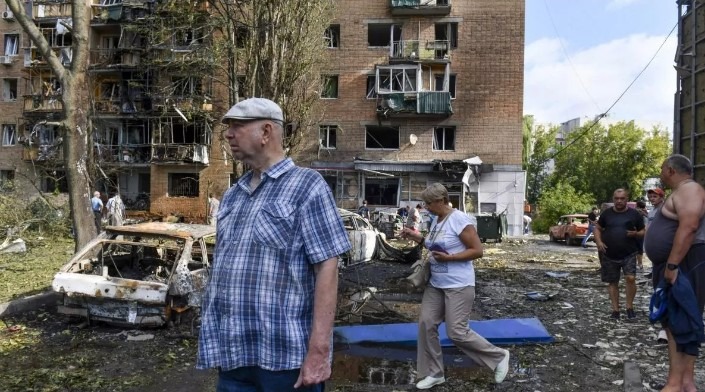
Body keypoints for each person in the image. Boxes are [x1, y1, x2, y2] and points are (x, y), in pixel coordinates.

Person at [197, 98, 352, 392]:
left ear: (266, 131)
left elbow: (327, 269)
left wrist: (319, 351)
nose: (228, 134)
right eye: (228, 127)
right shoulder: (233, 195)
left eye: (237, 126)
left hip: (286, 359)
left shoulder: (307, 186)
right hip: (233, 355)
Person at [400, 183, 510, 389]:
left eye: (429, 203)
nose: (426, 207)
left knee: (456, 332)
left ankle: (499, 357)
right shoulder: (437, 220)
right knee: (426, 324)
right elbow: (435, 245)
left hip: (459, 284)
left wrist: (450, 258)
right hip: (436, 284)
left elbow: (477, 251)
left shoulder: (459, 219)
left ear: (441, 201)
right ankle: (434, 373)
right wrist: (417, 237)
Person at [645, 155, 705, 392]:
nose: (661, 174)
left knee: (679, 321)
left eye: (662, 170)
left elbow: (689, 225)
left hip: (685, 262)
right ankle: (685, 382)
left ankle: (674, 384)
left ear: (670, 170)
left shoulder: (689, 190)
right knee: (680, 321)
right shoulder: (685, 191)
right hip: (682, 262)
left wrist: (671, 265)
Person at [593, 188, 645, 320]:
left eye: (622, 198)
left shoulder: (635, 214)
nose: (619, 201)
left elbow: (644, 231)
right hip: (609, 253)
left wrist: (636, 234)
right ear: (613, 199)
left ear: (627, 199)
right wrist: (599, 242)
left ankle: (629, 307)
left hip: (629, 253)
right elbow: (597, 228)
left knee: (630, 278)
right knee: (612, 282)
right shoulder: (606, 214)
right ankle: (615, 310)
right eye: (616, 198)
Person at [635, 200, 649, 271]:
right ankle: (639, 264)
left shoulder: (639, 212)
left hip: (638, 232)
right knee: (639, 248)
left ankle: (639, 264)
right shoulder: (645, 212)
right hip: (643, 232)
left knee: (637, 248)